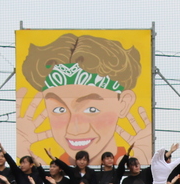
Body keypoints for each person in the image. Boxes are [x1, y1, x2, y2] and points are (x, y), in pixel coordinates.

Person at [17, 33, 152, 165]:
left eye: (91, 109)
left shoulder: (129, 164)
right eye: (59, 109)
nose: (74, 129)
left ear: (123, 104)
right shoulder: (56, 169)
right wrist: (23, 148)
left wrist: (144, 161)